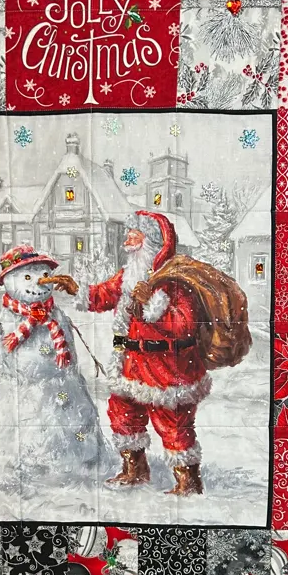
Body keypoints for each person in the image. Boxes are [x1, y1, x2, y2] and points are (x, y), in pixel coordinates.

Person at [46, 211, 209, 496]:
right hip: (130, 363)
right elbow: (103, 295)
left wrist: (154, 304)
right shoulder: (128, 275)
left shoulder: (176, 280)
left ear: (153, 243)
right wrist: (76, 289)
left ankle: (188, 483)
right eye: (129, 234)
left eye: (135, 235)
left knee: (173, 423)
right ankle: (135, 470)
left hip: (167, 366)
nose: (127, 240)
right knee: (124, 416)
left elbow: (184, 325)